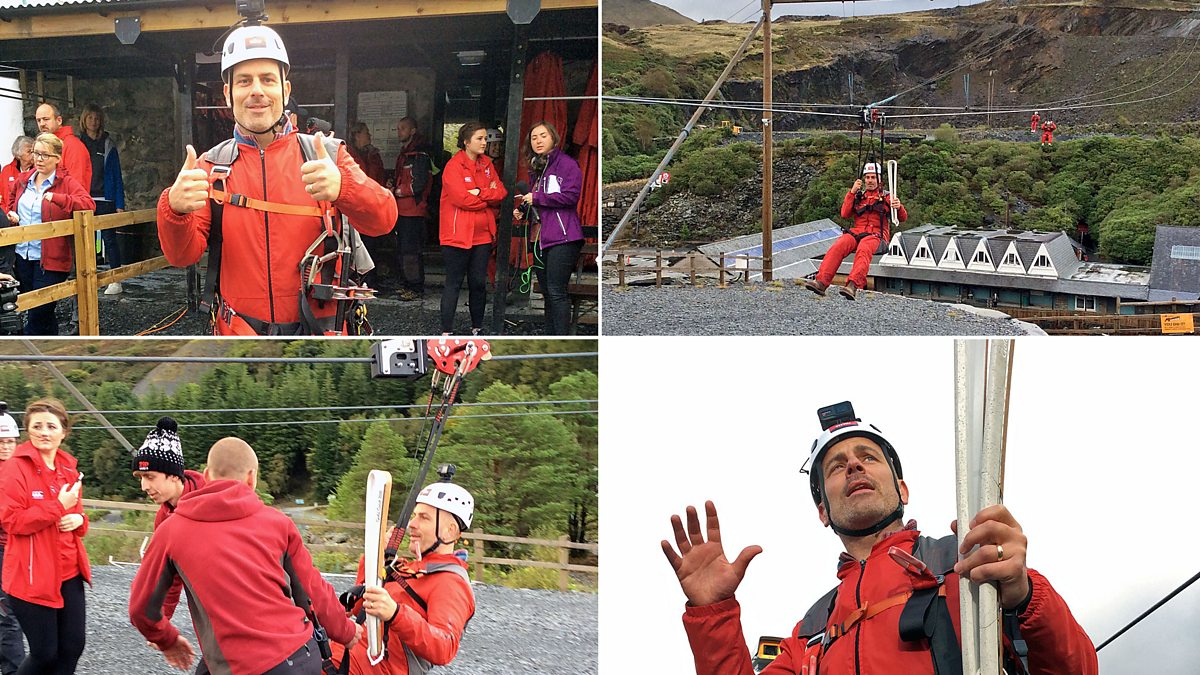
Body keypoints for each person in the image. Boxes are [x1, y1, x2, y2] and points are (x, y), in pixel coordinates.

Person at [661, 403, 1098, 675]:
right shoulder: (812, 631)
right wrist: (712, 613)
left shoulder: (972, 563)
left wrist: (1022, 595)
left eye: (867, 457)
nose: (853, 466)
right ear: (822, 512)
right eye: (836, 466)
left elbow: (1077, 670)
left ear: (902, 491)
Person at [158, 24, 396, 336]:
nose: (256, 90)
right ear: (228, 94)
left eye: (267, 79)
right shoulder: (210, 167)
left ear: (285, 90)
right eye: (244, 81)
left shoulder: (325, 156)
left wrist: (344, 189)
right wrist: (174, 209)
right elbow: (181, 256)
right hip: (240, 344)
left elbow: (384, 220)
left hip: (319, 341)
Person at [129, 437, 362, 674]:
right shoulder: (279, 523)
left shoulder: (170, 531)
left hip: (239, 666)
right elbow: (313, 592)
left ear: (207, 475)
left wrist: (167, 639)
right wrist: (346, 631)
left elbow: (141, 610)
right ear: (252, 478)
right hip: (300, 657)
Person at [330, 476, 476, 674]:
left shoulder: (450, 582)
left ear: (449, 532)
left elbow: (444, 647)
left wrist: (395, 613)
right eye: (414, 515)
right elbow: (357, 608)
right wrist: (376, 555)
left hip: (368, 667)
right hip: (345, 656)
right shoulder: (406, 568)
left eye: (424, 518)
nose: (412, 524)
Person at [0, 398, 90, 675]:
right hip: (32, 574)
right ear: (28, 431)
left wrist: (80, 520)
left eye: (51, 426)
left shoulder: (68, 468)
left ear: (63, 432)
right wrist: (57, 508)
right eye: (37, 426)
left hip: (69, 571)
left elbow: (78, 519)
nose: (44, 431)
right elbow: (11, 520)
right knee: (44, 653)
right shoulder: (15, 468)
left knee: (72, 648)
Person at [5, 133, 96, 335]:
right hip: (22, 256)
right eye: (36, 153)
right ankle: (51, 351)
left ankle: (24, 352)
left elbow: (89, 204)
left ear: (57, 158)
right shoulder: (23, 180)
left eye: (44, 155)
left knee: (39, 310)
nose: (38, 159)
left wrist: (59, 198)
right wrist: (11, 213)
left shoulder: (66, 182)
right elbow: (11, 201)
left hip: (52, 259)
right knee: (40, 311)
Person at [514, 121, 583, 335]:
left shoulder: (567, 164)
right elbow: (537, 200)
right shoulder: (537, 167)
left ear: (553, 137)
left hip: (563, 236)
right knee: (547, 291)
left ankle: (561, 335)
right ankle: (550, 331)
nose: (538, 141)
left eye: (543, 136)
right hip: (540, 238)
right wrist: (523, 210)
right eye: (534, 137)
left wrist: (537, 198)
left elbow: (570, 197)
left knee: (556, 291)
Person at [439, 122, 507, 335]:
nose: (484, 143)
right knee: (454, 283)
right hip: (456, 234)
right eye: (479, 138)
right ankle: (446, 330)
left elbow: (501, 193)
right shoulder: (453, 166)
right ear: (466, 142)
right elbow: (461, 199)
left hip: (482, 235)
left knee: (478, 282)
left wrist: (479, 193)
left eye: (485, 138)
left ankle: (477, 327)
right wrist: (486, 195)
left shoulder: (487, 164)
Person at [804, 162, 905, 301]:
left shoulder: (887, 197)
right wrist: (851, 193)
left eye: (873, 177)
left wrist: (898, 207)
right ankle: (821, 282)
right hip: (857, 232)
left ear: (879, 180)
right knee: (839, 245)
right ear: (864, 179)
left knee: (864, 249)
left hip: (877, 236)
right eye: (868, 177)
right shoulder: (858, 196)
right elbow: (845, 214)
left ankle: (853, 285)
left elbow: (901, 218)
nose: (870, 180)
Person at [77, 103, 128, 295]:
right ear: (84, 120)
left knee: (110, 239)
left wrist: (119, 204)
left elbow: (116, 175)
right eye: (90, 117)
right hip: (84, 198)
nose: (93, 121)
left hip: (105, 199)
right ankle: (87, 280)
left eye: (97, 118)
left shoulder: (108, 144)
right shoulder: (78, 143)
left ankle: (115, 280)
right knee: (85, 241)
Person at [391, 116, 433, 302]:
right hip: (402, 211)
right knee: (403, 250)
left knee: (411, 251)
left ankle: (415, 287)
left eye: (403, 128)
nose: (399, 131)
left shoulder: (420, 155)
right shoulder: (405, 153)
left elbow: (419, 185)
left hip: (413, 211)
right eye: (398, 128)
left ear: (413, 131)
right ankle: (407, 284)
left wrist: (397, 190)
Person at [0, 404, 25, 675]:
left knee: (9, 614)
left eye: (10, 442)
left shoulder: (20, 470)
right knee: (7, 615)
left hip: (18, 549)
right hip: (3, 548)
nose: (6, 447)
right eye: (1, 442)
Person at [34, 103, 91, 192]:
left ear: (59, 120)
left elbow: (77, 187)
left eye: (46, 119)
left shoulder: (73, 146)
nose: (42, 124)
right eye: (38, 120)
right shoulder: (44, 145)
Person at [0, 137, 34, 276]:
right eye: (29, 151)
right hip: (8, 223)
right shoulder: (7, 170)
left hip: (29, 223)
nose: (33, 155)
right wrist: (8, 215)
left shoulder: (37, 171)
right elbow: (1, 196)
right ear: (18, 154)